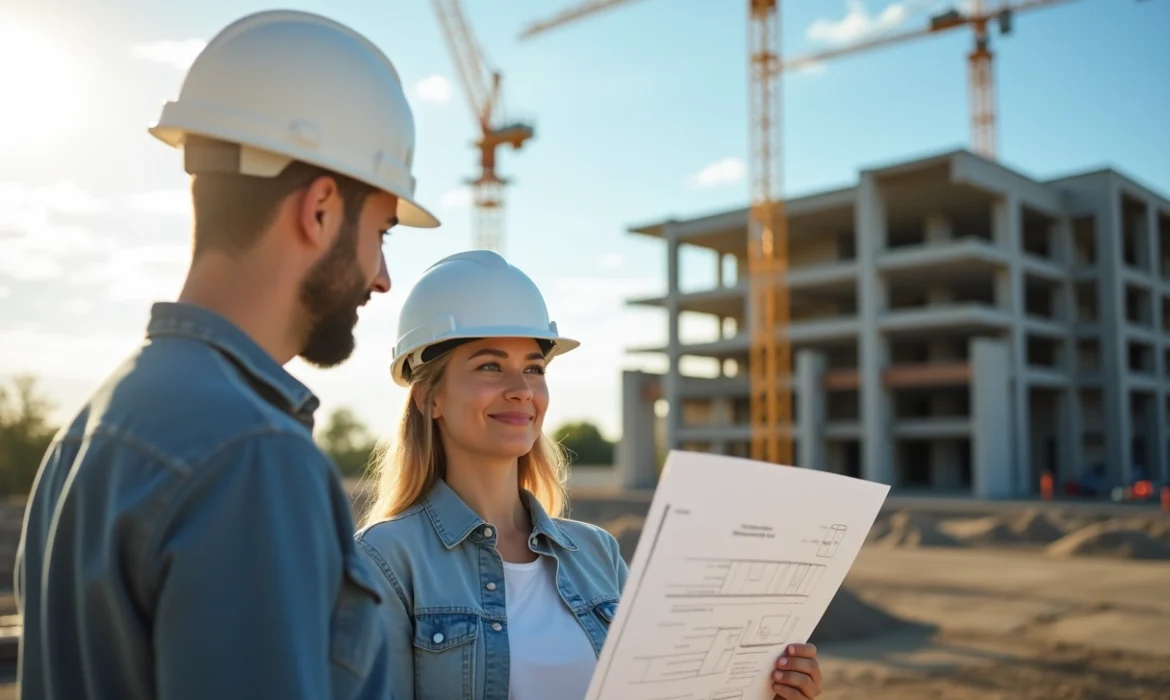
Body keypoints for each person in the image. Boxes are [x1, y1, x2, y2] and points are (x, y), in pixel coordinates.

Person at [13, 9, 439, 700]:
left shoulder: (88, 430)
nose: (383, 276)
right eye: (382, 231)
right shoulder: (252, 456)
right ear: (322, 208)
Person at [354, 250, 824, 700]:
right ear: (428, 399)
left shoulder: (597, 555)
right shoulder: (385, 562)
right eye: (491, 366)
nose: (521, 390)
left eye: (534, 369)